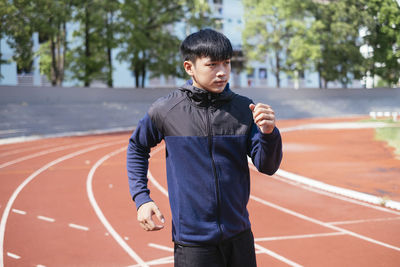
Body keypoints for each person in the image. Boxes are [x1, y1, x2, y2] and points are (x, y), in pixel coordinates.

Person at [127, 28, 282, 267]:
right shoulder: (167, 109)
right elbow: (137, 147)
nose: (222, 72)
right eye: (212, 65)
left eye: (227, 63)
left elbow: (268, 166)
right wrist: (142, 198)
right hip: (193, 243)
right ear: (189, 67)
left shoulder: (244, 109)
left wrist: (269, 134)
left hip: (239, 236)